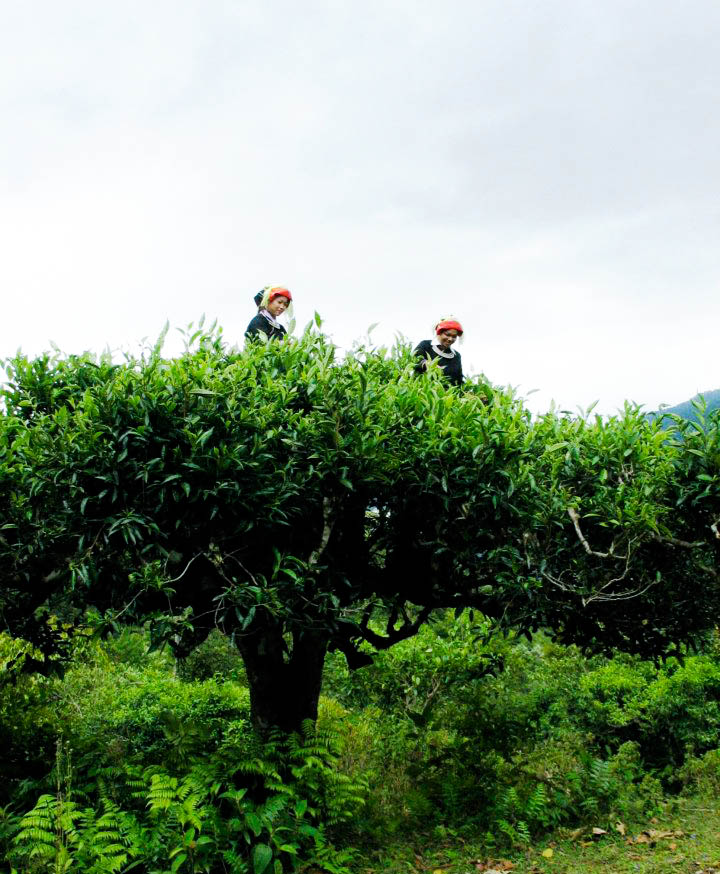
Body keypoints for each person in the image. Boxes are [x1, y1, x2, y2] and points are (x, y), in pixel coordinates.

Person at [414, 318, 464, 386]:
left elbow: (458, 380)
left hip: (444, 394)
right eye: (447, 335)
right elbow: (415, 360)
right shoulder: (426, 345)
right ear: (439, 333)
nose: (450, 339)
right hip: (421, 389)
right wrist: (426, 364)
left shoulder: (456, 356)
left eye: (454, 336)